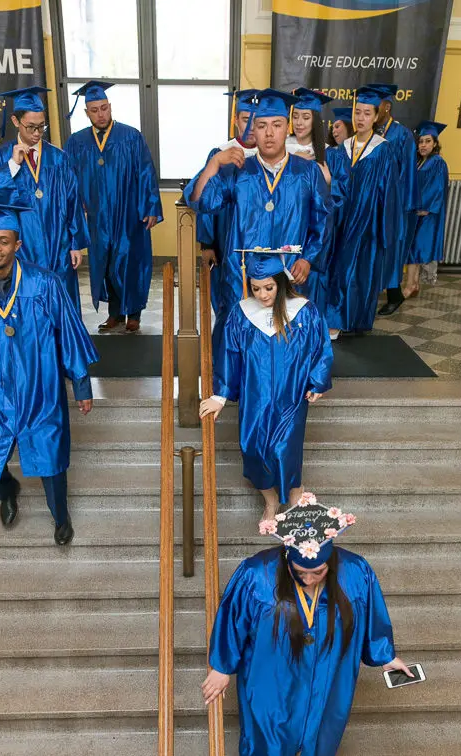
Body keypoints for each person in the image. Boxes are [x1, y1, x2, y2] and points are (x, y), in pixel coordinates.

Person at [201, 498, 411, 756]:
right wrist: (222, 667)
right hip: (272, 677)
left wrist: (385, 656)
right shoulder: (256, 575)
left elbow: (372, 617)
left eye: (319, 572)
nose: (310, 579)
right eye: (301, 573)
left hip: (329, 674)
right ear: (287, 557)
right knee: (271, 734)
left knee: (321, 724)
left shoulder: (356, 572)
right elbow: (232, 620)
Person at [0, 202, 98, 546]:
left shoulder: (44, 283)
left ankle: (60, 516)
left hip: (40, 387)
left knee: (49, 454)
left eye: (3, 241)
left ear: (17, 244)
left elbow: (69, 336)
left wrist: (81, 386)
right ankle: (7, 490)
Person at [199, 250, 332, 523]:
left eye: (269, 288)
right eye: (256, 288)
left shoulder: (304, 311)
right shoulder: (241, 314)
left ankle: (296, 495)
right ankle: (270, 501)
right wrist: (220, 396)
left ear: (281, 283)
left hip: (291, 397)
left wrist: (317, 381)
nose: (262, 295)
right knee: (254, 450)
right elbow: (229, 356)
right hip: (254, 398)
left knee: (285, 450)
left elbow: (321, 348)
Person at [184, 88, 333, 331]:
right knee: (241, 337)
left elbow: (322, 220)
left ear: (287, 127)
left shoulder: (307, 172)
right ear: (253, 128)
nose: (269, 133)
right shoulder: (239, 171)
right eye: (262, 125)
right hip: (242, 274)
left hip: (290, 271)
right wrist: (214, 163)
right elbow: (200, 201)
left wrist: (308, 258)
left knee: (288, 336)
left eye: (277, 125)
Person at [64, 81, 163, 333]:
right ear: (86, 112)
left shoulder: (130, 136)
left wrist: (151, 207)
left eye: (104, 108)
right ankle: (115, 314)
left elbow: (146, 172)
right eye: (94, 110)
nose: (101, 114)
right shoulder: (77, 142)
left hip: (129, 214)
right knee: (106, 264)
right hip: (97, 217)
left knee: (130, 262)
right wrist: (76, 205)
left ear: (110, 106)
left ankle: (134, 314)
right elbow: (69, 178)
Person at [0, 86, 88, 312]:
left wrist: (75, 244)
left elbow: (73, 202)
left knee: (61, 301)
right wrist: (13, 165)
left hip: (58, 244)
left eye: (42, 126)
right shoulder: (1, 156)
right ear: (15, 121)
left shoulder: (59, 158)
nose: (37, 133)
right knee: (27, 301)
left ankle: (62, 337)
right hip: (23, 245)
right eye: (31, 127)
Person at [326, 88, 402, 339]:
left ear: (376, 116)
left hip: (368, 220)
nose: (360, 118)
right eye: (357, 112)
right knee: (340, 268)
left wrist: (383, 227)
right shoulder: (343, 148)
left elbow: (389, 192)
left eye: (367, 113)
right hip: (342, 217)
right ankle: (338, 318)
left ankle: (354, 320)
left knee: (360, 271)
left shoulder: (383, 150)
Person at [197, 89, 260, 315]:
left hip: (261, 243)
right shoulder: (221, 154)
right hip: (226, 238)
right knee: (229, 297)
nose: (251, 126)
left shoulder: (272, 155)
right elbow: (205, 202)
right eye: (245, 119)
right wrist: (207, 244)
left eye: (257, 120)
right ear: (235, 120)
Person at [364, 83, 420, 317]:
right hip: (372, 201)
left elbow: (408, 172)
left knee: (392, 250)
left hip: (394, 203)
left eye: (375, 106)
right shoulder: (370, 133)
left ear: (386, 107)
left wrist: (403, 205)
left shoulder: (401, 135)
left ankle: (395, 295)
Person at [404, 121, 449, 299]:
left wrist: (426, 208)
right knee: (414, 249)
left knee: (415, 249)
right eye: (421, 141)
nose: (423, 145)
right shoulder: (421, 162)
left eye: (427, 141)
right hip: (418, 213)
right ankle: (414, 284)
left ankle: (409, 286)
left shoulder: (437, 162)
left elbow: (437, 188)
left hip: (426, 214)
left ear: (435, 143)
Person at [287, 87, 333, 186]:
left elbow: (342, 190)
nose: (299, 123)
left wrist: (329, 181)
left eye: (306, 118)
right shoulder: (282, 148)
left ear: (315, 121)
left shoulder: (329, 154)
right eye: (295, 117)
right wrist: (290, 160)